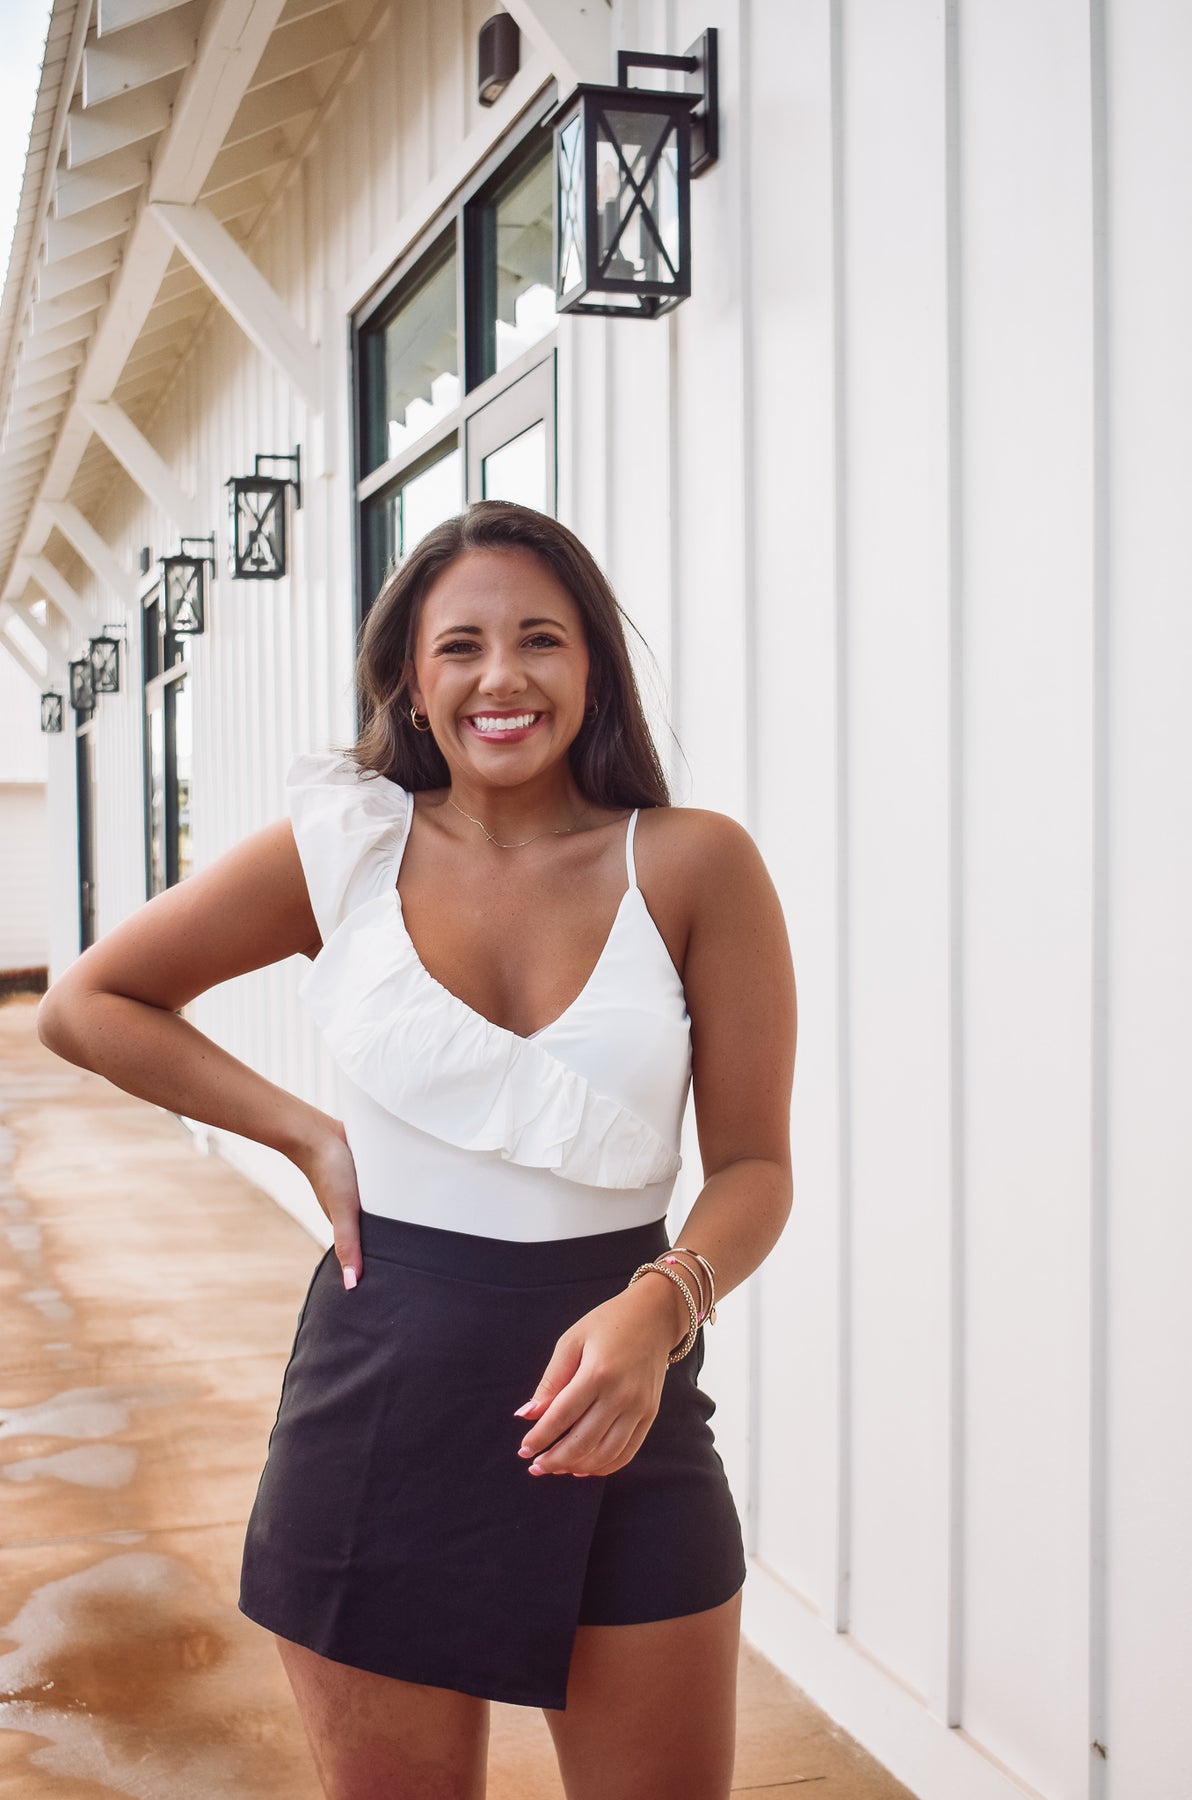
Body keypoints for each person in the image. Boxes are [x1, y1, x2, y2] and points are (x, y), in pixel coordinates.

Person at [37, 501, 796, 1800]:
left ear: (593, 668)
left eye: (541, 640)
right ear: (409, 676)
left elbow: (753, 1170)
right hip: (379, 1417)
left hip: (625, 1414)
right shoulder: (347, 851)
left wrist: (661, 1306)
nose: (501, 677)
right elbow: (87, 1004)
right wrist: (305, 1134)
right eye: (462, 647)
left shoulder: (691, 865)